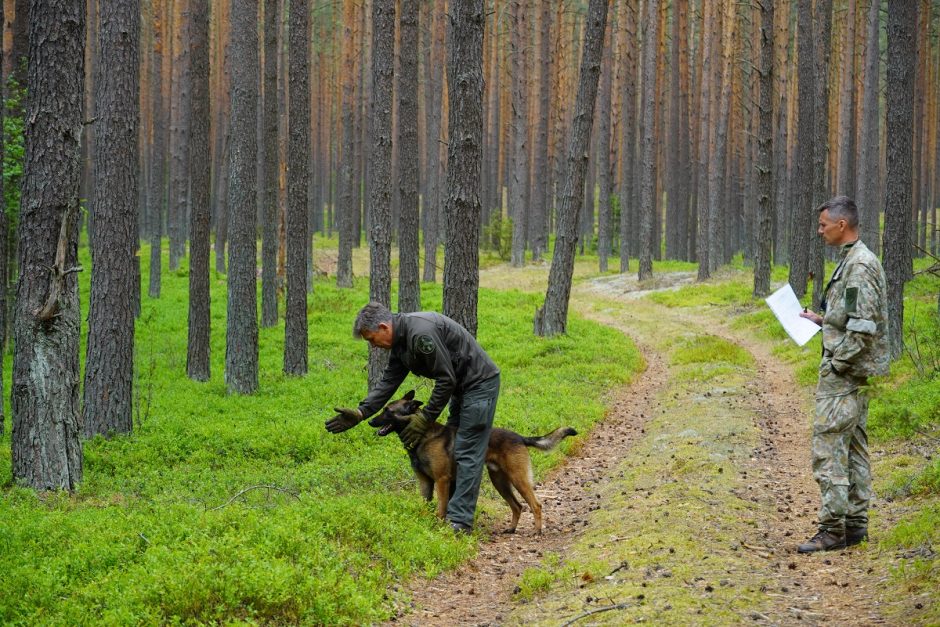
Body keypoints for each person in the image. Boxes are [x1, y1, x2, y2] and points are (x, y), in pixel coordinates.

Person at [325, 302, 501, 534]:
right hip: (461, 387)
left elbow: (445, 379)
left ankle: (460, 522)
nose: (373, 346)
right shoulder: (399, 343)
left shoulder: (420, 335)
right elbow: (390, 380)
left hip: (479, 384)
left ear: (383, 327)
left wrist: (425, 418)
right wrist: (362, 412)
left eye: (371, 339)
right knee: (453, 450)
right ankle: (450, 512)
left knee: (467, 449)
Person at [797, 196, 890, 553]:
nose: (819, 231)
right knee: (852, 446)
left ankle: (833, 528)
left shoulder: (860, 266)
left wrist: (838, 361)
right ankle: (854, 525)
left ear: (841, 225)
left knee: (829, 446)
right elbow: (851, 315)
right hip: (851, 370)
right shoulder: (852, 261)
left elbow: (864, 328)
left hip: (845, 373)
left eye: (823, 225)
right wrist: (824, 321)